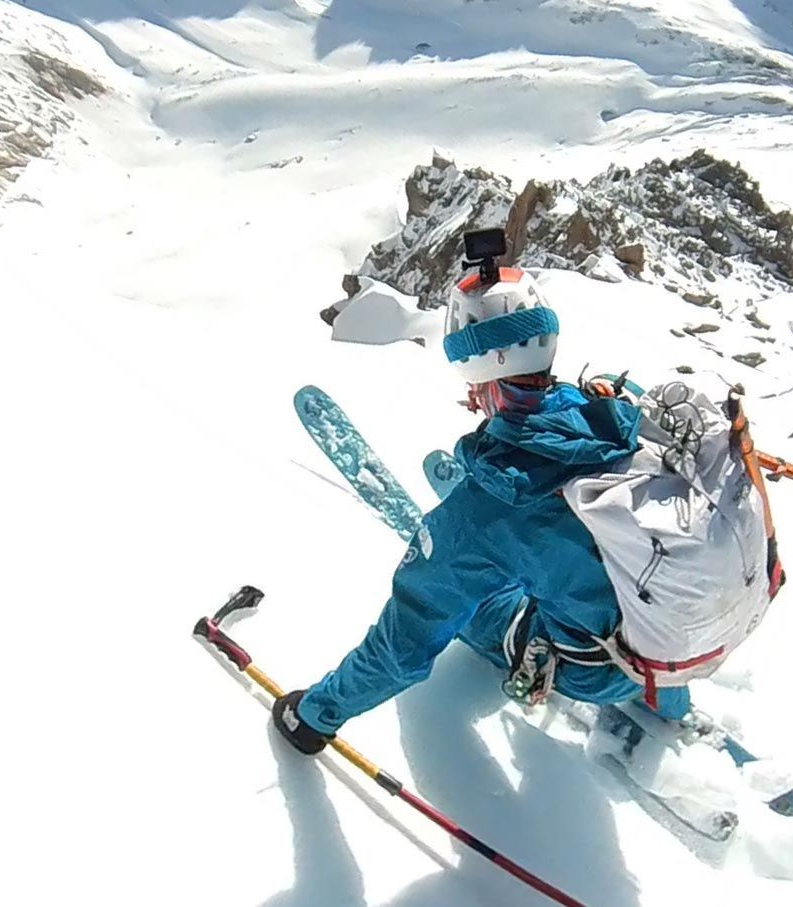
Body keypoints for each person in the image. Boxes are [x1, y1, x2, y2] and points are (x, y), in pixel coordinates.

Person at [272, 264, 691, 755]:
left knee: (478, 610)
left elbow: (404, 645)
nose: (470, 396)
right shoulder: (617, 411)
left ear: (481, 372)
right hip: (677, 636)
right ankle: (672, 703)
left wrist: (314, 715)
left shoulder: (488, 511)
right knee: (567, 564)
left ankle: (510, 589)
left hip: (596, 668)